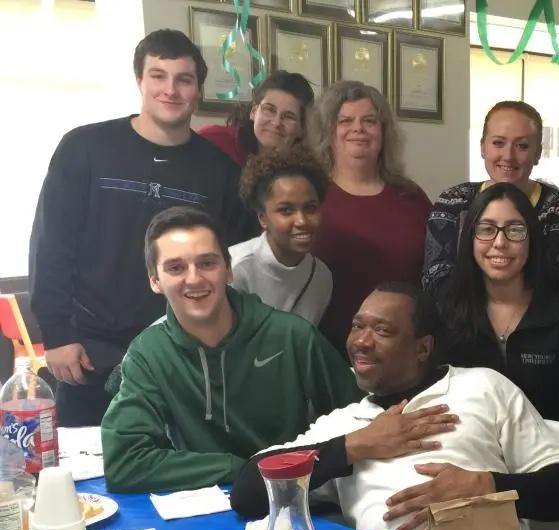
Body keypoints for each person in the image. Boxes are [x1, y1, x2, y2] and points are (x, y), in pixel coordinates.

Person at [230, 283, 559, 530]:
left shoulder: (483, 387)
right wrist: (354, 447)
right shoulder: (344, 424)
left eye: (382, 330)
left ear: (422, 348)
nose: (362, 341)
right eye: (357, 326)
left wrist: (486, 485)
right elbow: (247, 493)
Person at [29, 29, 252, 428]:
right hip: (88, 352)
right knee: (87, 478)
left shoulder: (221, 174)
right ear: (140, 81)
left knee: (172, 474)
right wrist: (57, 334)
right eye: (158, 76)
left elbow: (235, 267)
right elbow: (51, 245)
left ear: (198, 90)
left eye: (184, 79)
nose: (171, 89)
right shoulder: (84, 148)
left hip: (179, 354)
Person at [101, 207, 361, 493]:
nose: (194, 278)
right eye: (175, 268)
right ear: (155, 280)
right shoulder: (148, 353)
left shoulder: (293, 336)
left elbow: (360, 422)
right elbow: (124, 463)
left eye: (207, 263)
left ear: (228, 270)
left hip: (286, 499)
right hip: (197, 508)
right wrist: (236, 468)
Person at [437, 182, 559, 427]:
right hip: (468, 449)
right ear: (470, 238)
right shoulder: (445, 308)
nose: (500, 242)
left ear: (532, 239)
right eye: (487, 229)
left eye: (515, 229)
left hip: (551, 450)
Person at [309, 81, 431, 351]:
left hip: (402, 354)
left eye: (369, 121)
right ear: (329, 132)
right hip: (326, 350)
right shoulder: (309, 196)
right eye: (345, 120)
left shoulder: (411, 197)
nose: (358, 129)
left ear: (384, 132)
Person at [423, 101, 559, 293]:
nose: (508, 156)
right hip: (460, 320)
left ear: (538, 153)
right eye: (498, 143)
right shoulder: (453, 202)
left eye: (522, 146)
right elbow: (435, 279)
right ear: (483, 147)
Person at [230, 145, 333, 325]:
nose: (301, 221)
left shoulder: (322, 277)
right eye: (286, 210)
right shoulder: (235, 268)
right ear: (263, 218)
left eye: (310, 208)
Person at [197, 70, 315, 166]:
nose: (276, 122)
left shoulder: (304, 174)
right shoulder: (213, 140)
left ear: (302, 128)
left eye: (288, 116)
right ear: (253, 111)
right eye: (269, 110)